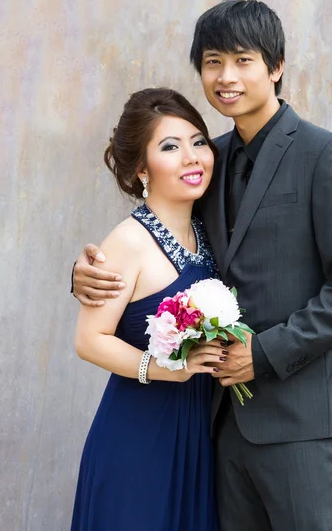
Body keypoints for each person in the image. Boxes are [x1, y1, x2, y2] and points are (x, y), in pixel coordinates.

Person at [73, 0, 332, 531]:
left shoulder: (325, 155)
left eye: (243, 60)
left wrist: (260, 355)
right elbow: (158, 240)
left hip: (303, 421)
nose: (226, 77)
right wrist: (86, 276)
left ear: (276, 66)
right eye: (213, 61)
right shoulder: (206, 160)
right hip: (217, 427)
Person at [70, 87, 225, 531]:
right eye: (170, 147)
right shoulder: (129, 241)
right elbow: (88, 340)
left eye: (198, 142)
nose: (191, 157)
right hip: (138, 441)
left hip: (197, 438)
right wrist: (163, 368)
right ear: (141, 169)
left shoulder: (207, 229)